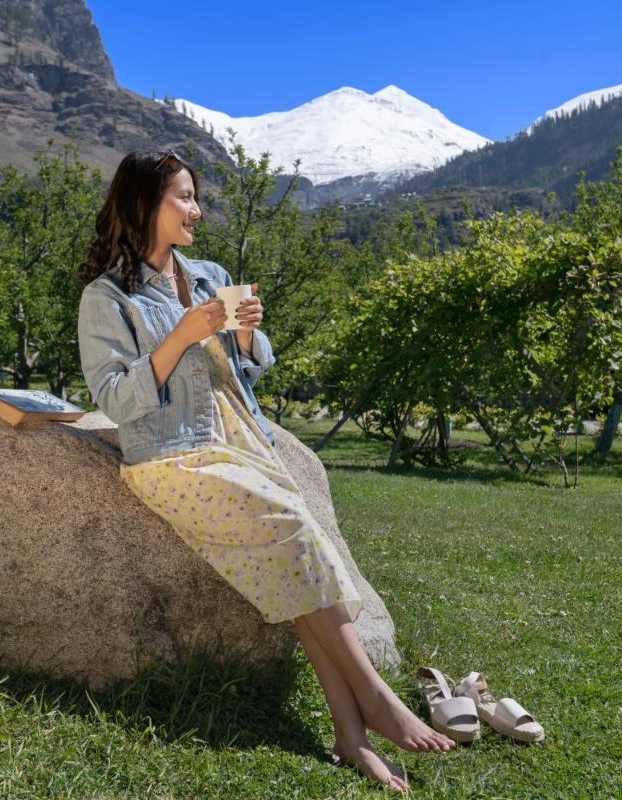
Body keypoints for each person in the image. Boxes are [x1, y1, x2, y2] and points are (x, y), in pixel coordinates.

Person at [76, 150, 453, 792]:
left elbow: (252, 367)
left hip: (235, 439)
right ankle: (375, 697)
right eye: (183, 197)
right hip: (170, 457)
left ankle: (349, 733)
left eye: (197, 198)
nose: (196, 210)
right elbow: (114, 399)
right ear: (143, 203)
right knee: (292, 526)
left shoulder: (208, 275)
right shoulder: (108, 297)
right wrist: (180, 336)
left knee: (295, 548)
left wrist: (248, 335)